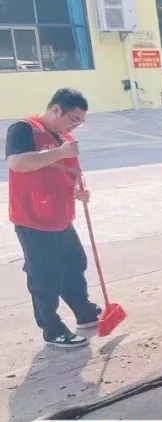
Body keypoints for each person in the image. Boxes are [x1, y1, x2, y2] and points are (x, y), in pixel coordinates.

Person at [6, 88, 101, 349]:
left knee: (75, 264)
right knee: (45, 276)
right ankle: (52, 329)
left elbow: (69, 172)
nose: (75, 126)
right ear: (57, 109)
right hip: (33, 218)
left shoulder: (65, 138)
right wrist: (61, 152)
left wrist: (78, 191)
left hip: (60, 215)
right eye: (74, 120)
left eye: (80, 122)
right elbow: (17, 163)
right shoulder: (24, 129)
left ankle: (84, 312)